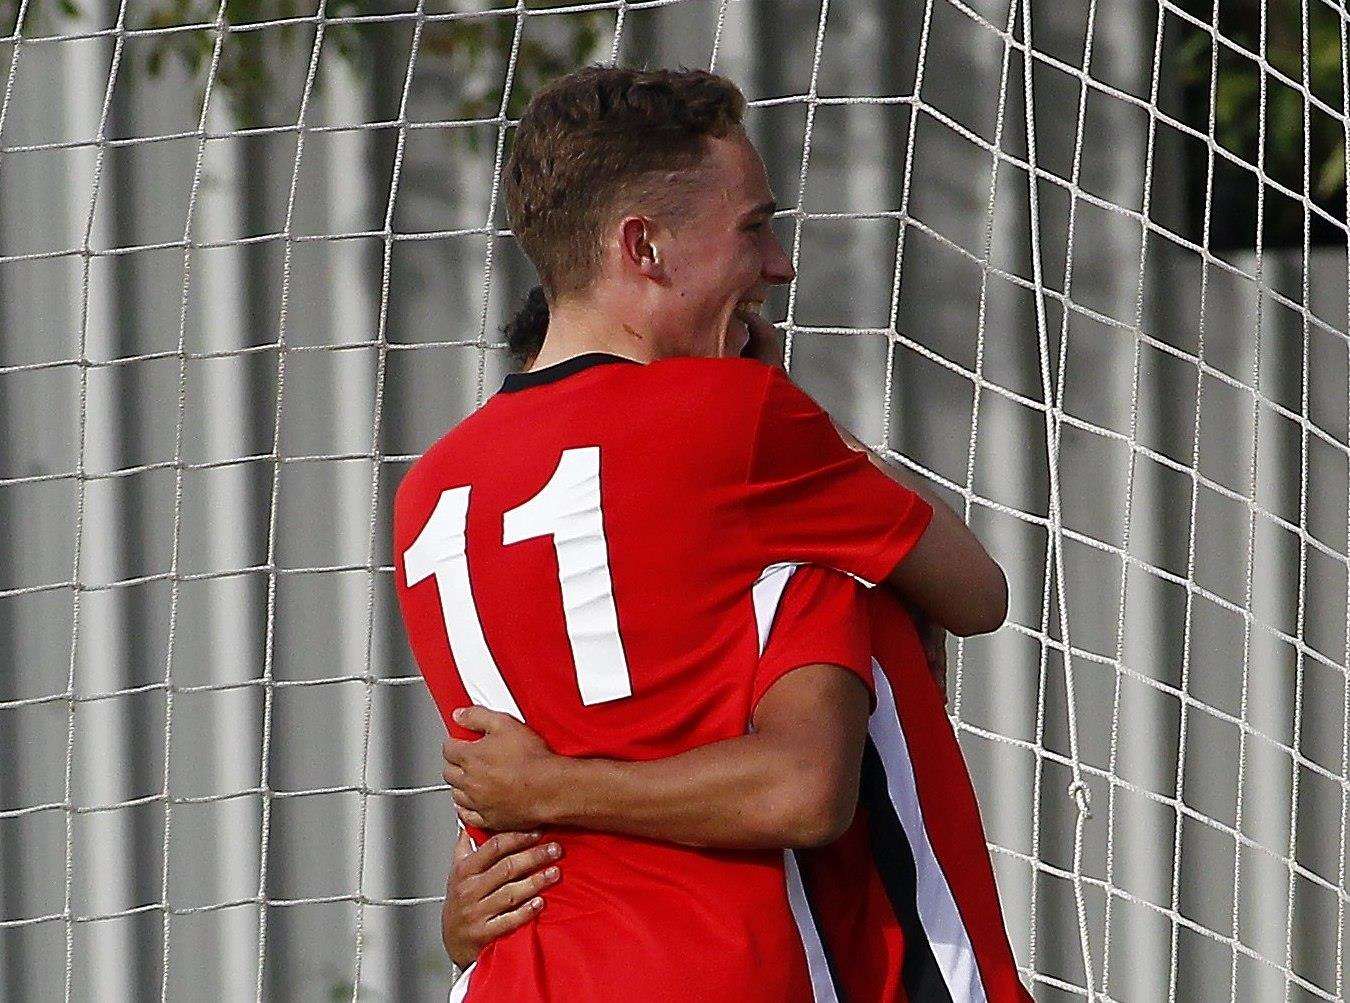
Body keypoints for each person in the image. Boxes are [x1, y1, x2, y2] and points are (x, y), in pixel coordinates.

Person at [393, 64, 1005, 1002]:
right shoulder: (741, 428)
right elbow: (977, 595)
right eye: (754, 227)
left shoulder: (429, 494)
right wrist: (792, 408)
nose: (780, 264)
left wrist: (496, 854)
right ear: (644, 246)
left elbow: (504, 781)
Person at [437, 293, 1032, 1002]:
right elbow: (502, 828)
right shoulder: (556, 585)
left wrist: (551, 786)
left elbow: (802, 785)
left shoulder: (791, 544)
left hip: (900, 969)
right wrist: (466, 917)